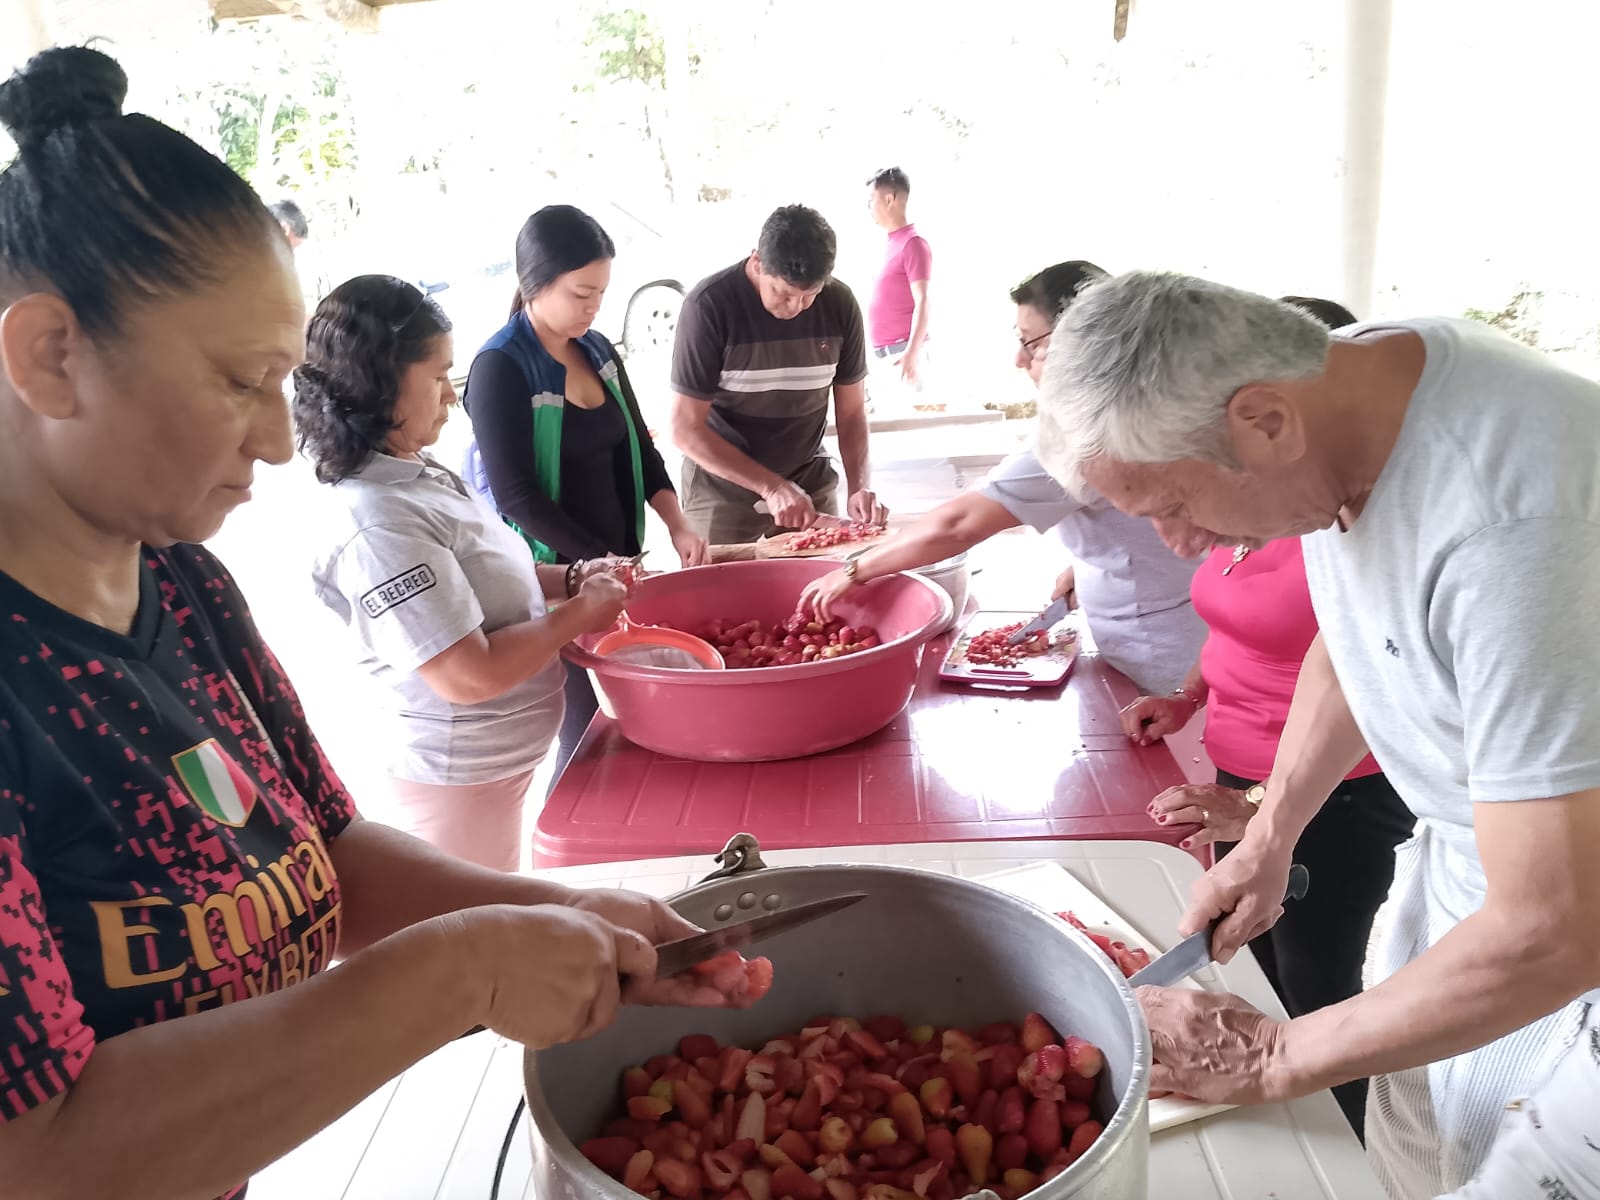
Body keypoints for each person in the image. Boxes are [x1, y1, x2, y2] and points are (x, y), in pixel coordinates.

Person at [0, 47, 740, 1200]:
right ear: (50, 355)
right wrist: (459, 973)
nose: (275, 441)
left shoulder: (183, 587)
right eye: (240, 381)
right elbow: (34, 1154)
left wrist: (565, 913)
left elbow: (331, 855)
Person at [1035, 270, 1600, 1198]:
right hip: (1475, 887)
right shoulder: (1353, 389)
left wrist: (1275, 1057)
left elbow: (1556, 925)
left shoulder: (1517, 532)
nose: (1183, 545)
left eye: (1175, 505)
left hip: (1564, 959)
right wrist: (1271, 834)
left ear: (1264, 421)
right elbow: (1354, 635)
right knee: (1411, 1160)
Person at [1119, 296, 1416, 1136]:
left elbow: (1361, 681)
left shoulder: (1329, 518)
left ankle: (1348, 1148)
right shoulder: (1242, 510)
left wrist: (1262, 810)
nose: (1178, 538)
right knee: (1248, 961)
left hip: (1341, 790)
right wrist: (1188, 698)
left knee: (1317, 980)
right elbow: (1233, 628)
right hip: (1243, 777)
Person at [295, 275, 633, 871]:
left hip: (494, 766)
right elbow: (468, 675)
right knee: (481, 919)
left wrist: (573, 579)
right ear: (381, 384)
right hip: (458, 775)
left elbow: (483, 577)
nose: (451, 397)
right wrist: (582, 612)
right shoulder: (377, 523)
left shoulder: (413, 469)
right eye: (437, 377)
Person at [804, 261, 1204, 695]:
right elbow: (1134, 521)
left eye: (1033, 343)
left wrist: (854, 570)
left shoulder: (1084, 433)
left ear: (1085, 342)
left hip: (1162, 655)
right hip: (1164, 628)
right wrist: (1091, 566)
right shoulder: (1143, 400)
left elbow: (958, 525)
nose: (1019, 359)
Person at [459, 205, 707, 783]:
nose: (593, 308)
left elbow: (639, 445)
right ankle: (567, 827)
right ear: (533, 284)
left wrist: (677, 522)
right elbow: (516, 496)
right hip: (559, 583)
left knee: (635, 714)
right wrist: (598, 564)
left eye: (601, 294)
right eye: (581, 294)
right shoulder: (500, 368)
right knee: (583, 728)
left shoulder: (597, 350)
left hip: (616, 571)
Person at [670, 204, 889, 544]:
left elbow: (851, 413)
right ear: (757, 262)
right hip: (722, 488)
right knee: (724, 577)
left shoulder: (840, 304)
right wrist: (771, 486)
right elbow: (684, 428)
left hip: (809, 481)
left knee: (829, 574)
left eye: (809, 296)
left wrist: (859, 487)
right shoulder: (709, 306)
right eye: (784, 294)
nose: (796, 307)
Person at [865, 167, 932, 406]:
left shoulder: (913, 244)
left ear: (889, 199)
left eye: (871, 200)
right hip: (888, 354)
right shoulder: (891, 243)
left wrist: (911, 353)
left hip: (905, 355)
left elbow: (923, 301)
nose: (869, 207)